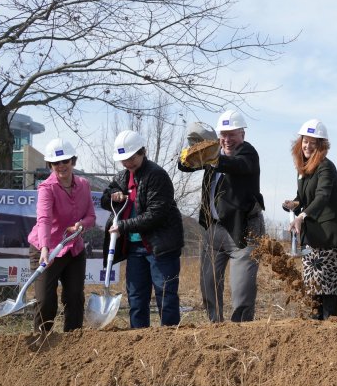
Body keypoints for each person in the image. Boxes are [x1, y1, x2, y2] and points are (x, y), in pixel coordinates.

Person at [179, 110, 265, 323]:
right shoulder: (212, 152)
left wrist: (214, 158)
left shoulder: (248, 153)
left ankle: (241, 330)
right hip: (213, 230)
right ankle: (215, 327)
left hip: (243, 229)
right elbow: (184, 166)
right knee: (208, 284)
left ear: (242, 134)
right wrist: (190, 153)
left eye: (232, 134)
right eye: (223, 135)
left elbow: (238, 166)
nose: (227, 139)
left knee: (241, 289)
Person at [102, 130, 184, 328]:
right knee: (137, 297)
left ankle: (170, 338)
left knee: (165, 296)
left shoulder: (157, 175)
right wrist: (113, 194)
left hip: (160, 247)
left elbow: (156, 214)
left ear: (142, 152)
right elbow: (105, 199)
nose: (128, 163)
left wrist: (123, 226)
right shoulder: (122, 177)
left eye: (132, 158)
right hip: (134, 248)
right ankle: (138, 339)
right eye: (123, 160)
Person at [282, 119, 337, 319]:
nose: (307, 146)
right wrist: (294, 204)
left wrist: (302, 215)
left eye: (313, 142)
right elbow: (303, 198)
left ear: (321, 146)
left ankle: (329, 325)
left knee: (327, 285)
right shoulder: (303, 169)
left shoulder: (325, 167)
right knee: (312, 284)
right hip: (312, 236)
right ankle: (315, 326)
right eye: (305, 141)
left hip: (330, 235)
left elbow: (322, 197)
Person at [26, 138, 96, 334]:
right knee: (45, 300)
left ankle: (72, 342)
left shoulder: (84, 185)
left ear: (73, 161)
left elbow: (91, 216)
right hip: (46, 249)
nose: (61, 166)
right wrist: (45, 249)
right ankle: (43, 342)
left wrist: (82, 225)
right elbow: (44, 219)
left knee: (75, 297)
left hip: (73, 249)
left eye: (65, 161)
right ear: (50, 165)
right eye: (56, 163)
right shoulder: (47, 188)